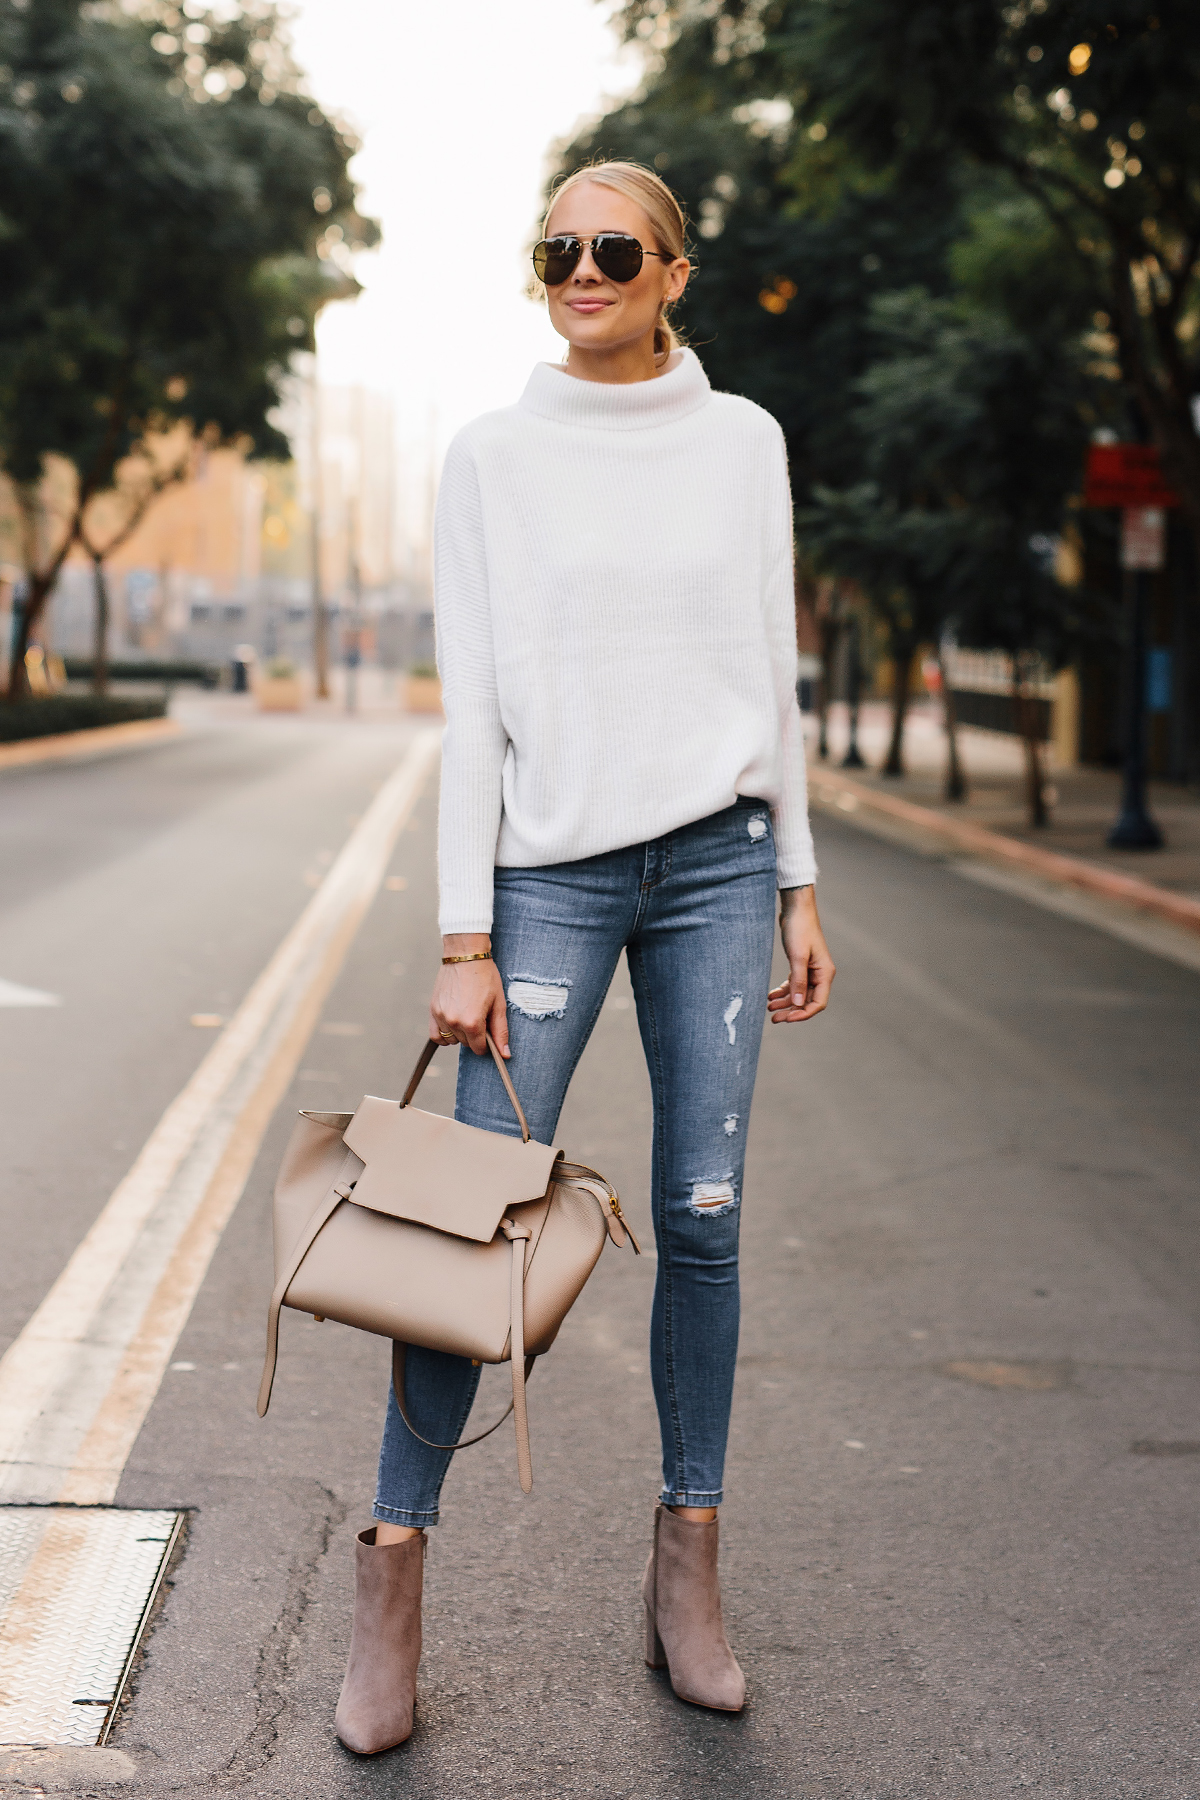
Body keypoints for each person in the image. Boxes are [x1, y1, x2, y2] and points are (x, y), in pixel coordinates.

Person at [333, 160, 835, 1756]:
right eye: (559, 245)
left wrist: (800, 881)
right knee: (455, 1225)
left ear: (677, 271)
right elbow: (468, 700)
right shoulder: (492, 458)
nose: (584, 266)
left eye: (617, 246)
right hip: (544, 879)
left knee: (703, 1213)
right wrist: (462, 931)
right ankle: (393, 1575)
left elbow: (773, 660)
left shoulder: (743, 440)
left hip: (718, 861)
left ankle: (689, 1566)